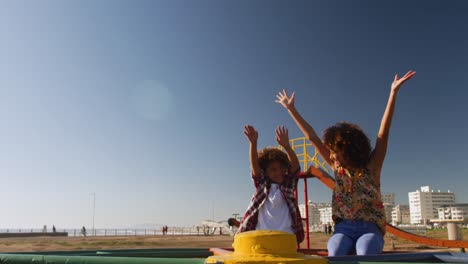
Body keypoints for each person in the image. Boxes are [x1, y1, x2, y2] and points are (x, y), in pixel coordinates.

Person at [275, 71, 416, 256]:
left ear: (347, 151)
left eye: (334, 151)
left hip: (370, 227)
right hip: (344, 228)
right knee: (336, 250)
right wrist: (291, 109)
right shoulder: (337, 168)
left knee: (365, 250)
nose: (331, 156)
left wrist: (393, 93)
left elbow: (383, 133)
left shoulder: (372, 167)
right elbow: (312, 138)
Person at [238, 125, 304, 244]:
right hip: (262, 236)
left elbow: (295, 167)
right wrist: (253, 143)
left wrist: (287, 146)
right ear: (266, 172)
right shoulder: (263, 185)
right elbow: (255, 168)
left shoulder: (287, 185)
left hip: (286, 237)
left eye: (281, 168)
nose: (279, 173)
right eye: (274, 170)